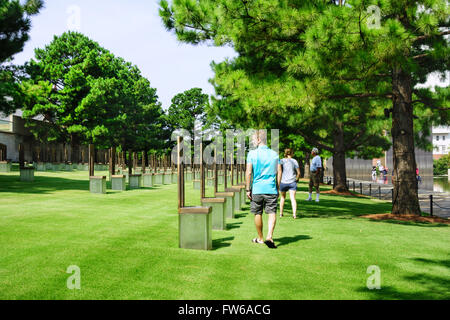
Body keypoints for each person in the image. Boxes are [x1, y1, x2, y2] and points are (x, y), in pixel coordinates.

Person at [246, 129, 281, 249]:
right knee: (271, 212)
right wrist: (277, 186)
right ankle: (269, 236)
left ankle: (260, 238)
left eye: (253, 139)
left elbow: (249, 172)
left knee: (257, 212)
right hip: (271, 188)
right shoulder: (274, 154)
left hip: (257, 188)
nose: (252, 141)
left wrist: (247, 189)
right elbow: (279, 171)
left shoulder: (252, 154)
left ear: (259, 139)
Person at [279, 148, 300, 219]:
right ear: (291, 153)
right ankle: (294, 214)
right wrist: (297, 179)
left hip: (283, 181)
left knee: (282, 197)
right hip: (292, 182)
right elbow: (298, 173)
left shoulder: (282, 161)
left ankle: (281, 213)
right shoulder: (294, 161)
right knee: (293, 198)